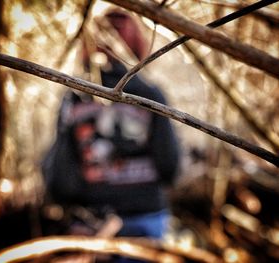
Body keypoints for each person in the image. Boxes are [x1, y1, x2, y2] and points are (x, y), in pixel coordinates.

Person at [41, 8, 180, 260]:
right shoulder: (151, 95)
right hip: (146, 218)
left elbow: (60, 176)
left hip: (92, 224)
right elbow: (170, 165)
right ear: (137, 41)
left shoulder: (74, 96)